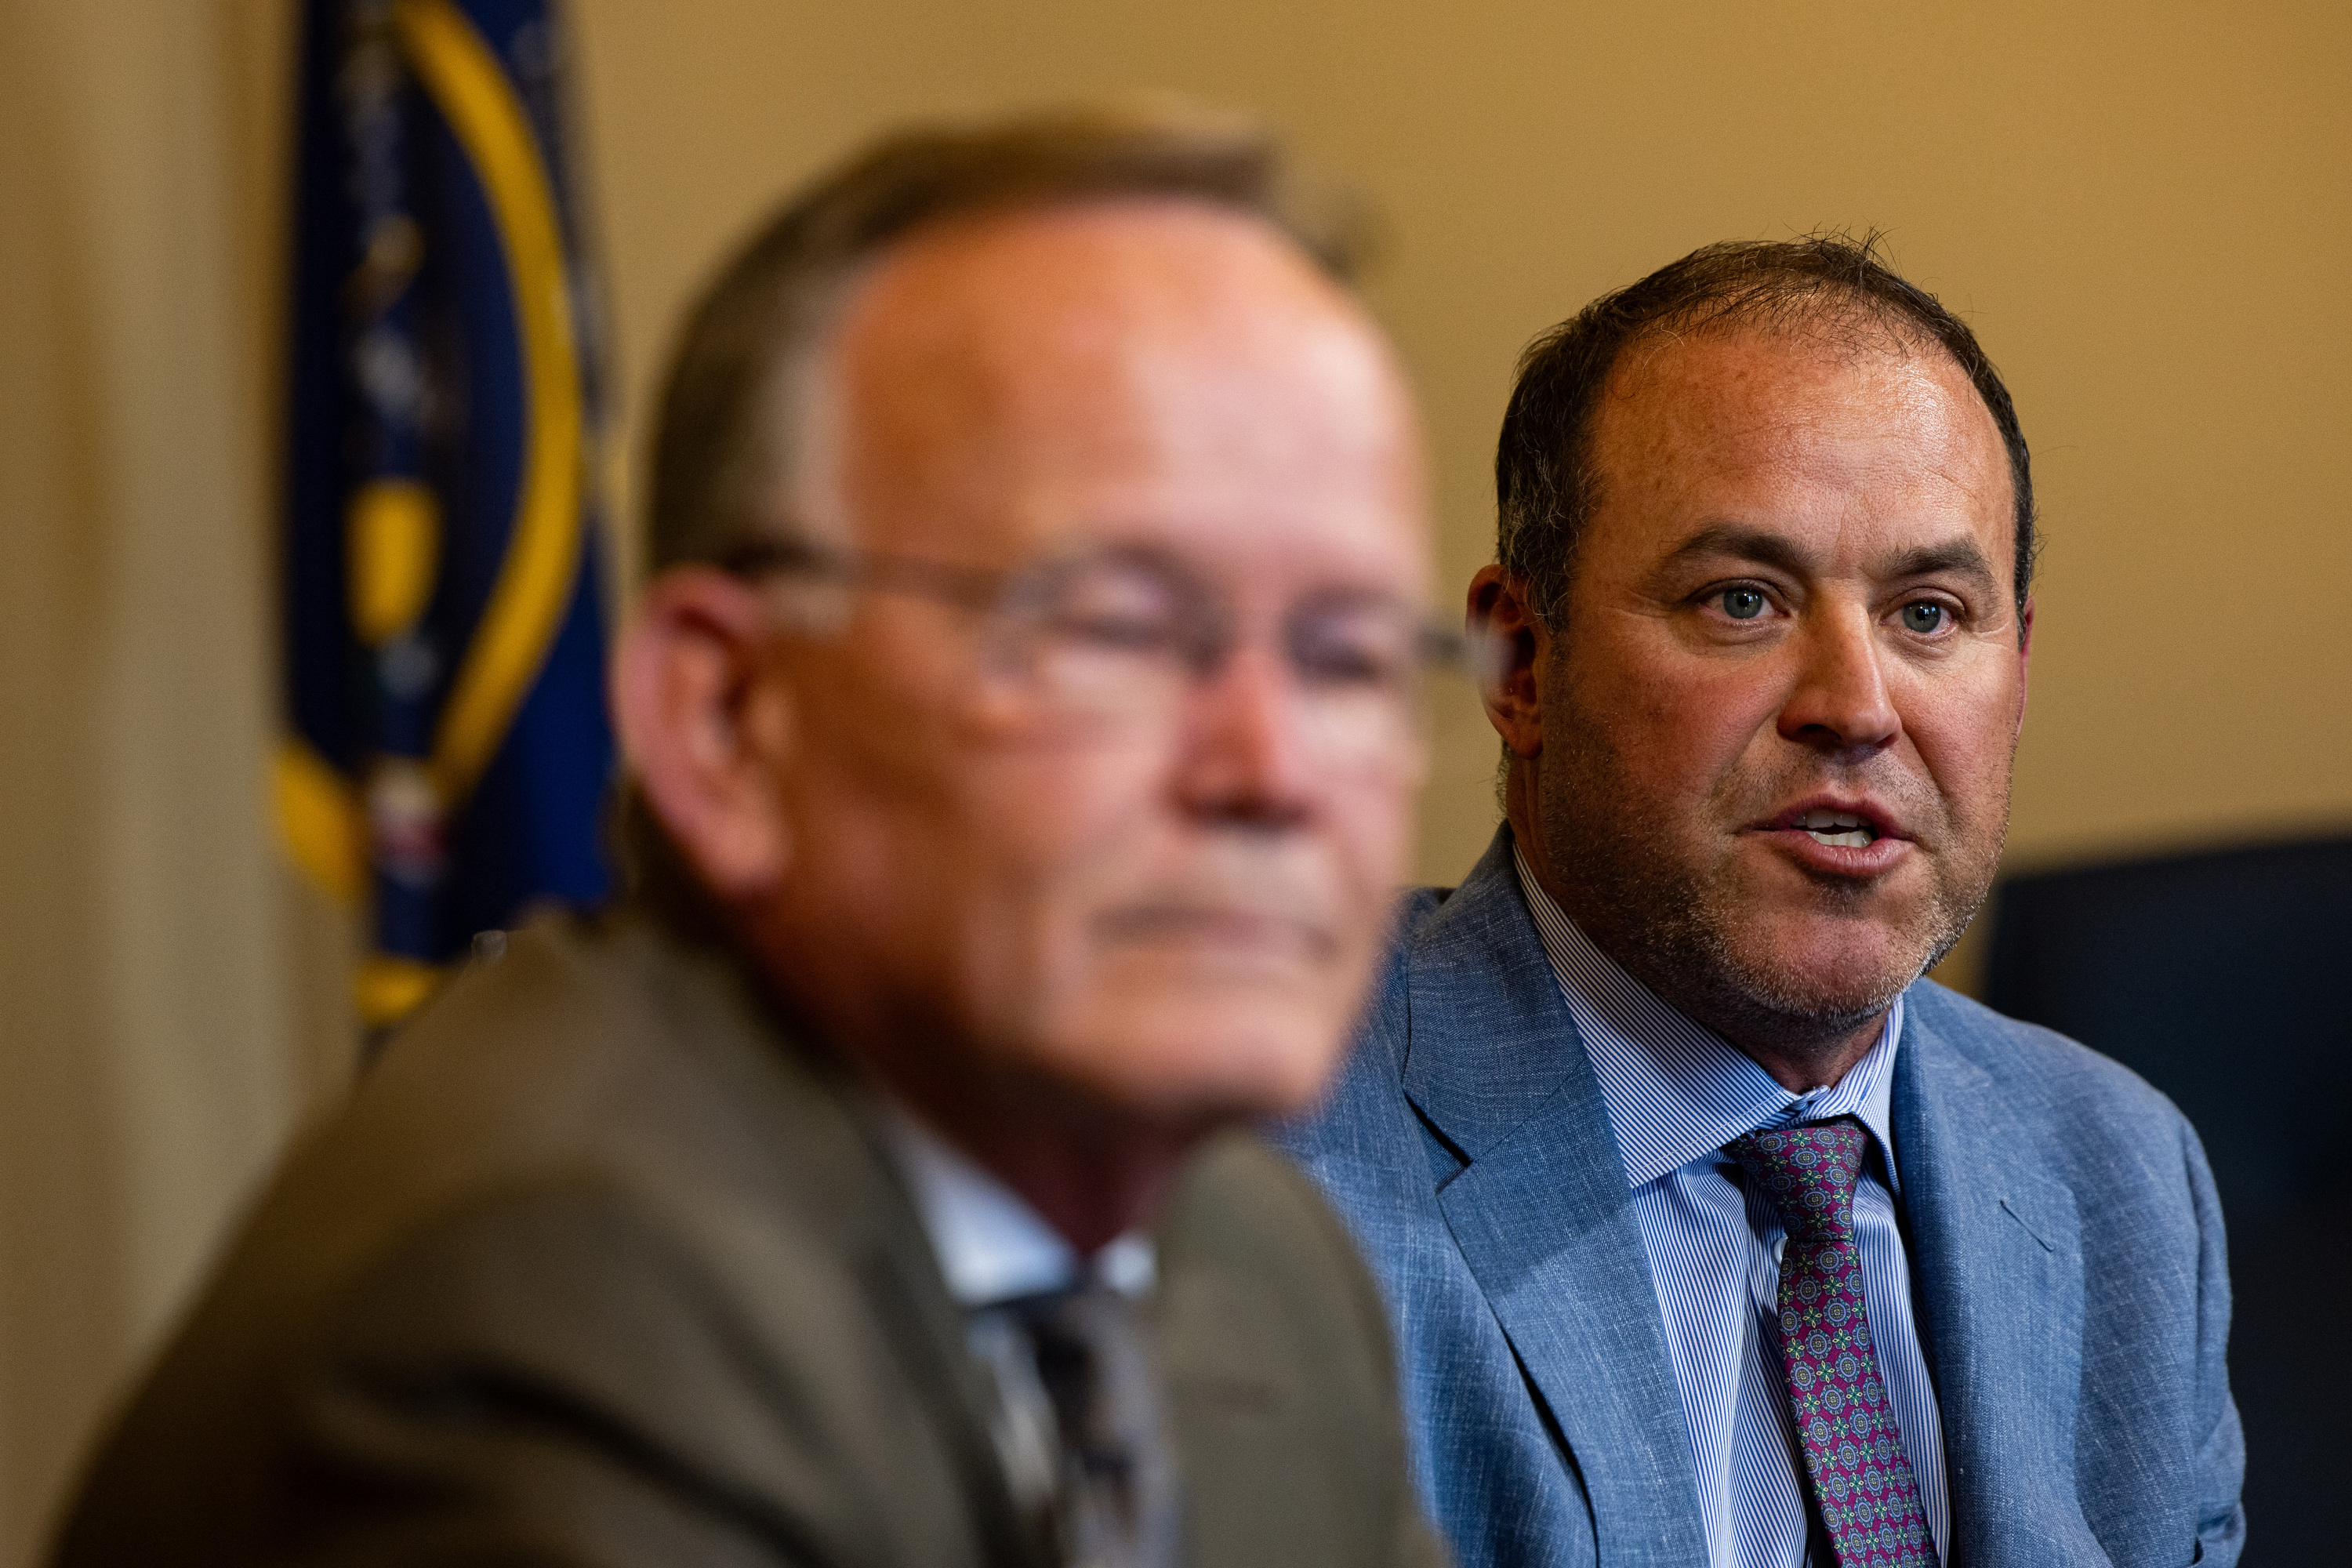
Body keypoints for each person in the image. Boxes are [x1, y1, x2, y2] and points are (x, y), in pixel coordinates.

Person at [55, 106, 1451, 1568]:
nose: (1271, 768)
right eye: (1111, 628)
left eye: (1347, 658)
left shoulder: (1250, 1255)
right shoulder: (560, 1289)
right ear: (725, 719)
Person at [1279, 238, 2244, 1568]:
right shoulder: (1247, 1145)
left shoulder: (2124, 1178)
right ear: (1519, 660)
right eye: (1742, 600)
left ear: (2016, 670)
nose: (1855, 706)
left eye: (1928, 613)